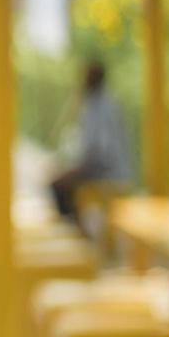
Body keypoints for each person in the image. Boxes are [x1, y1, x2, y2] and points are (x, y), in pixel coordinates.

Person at [49, 61, 131, 219]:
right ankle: (77, 228)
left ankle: (76, 233)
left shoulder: (102, 107)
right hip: (104, 168)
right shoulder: (98, 103)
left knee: (59, 185)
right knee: (62, 181)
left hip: (108, 172)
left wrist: (77, 168)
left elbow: (99, 151)